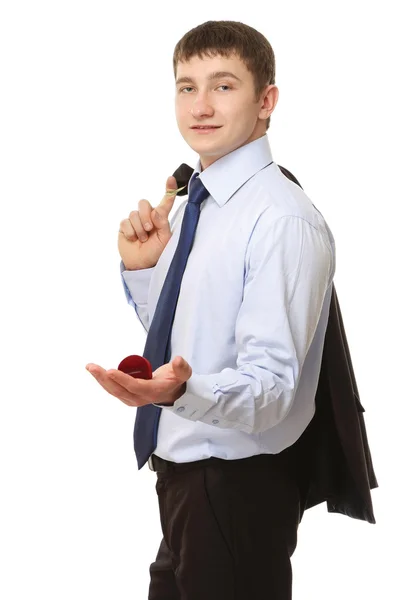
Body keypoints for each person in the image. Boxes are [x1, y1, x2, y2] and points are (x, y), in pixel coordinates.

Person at [86, 20, 336, 600]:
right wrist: (148, 269)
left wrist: (176, 395)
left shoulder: (279, 219)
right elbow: (191, 339)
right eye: (186, 86)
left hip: (236, 488)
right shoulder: (202, 204)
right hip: (185, 483)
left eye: (223, 86)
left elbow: (272, 388)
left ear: (265, 100)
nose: (200, 105)